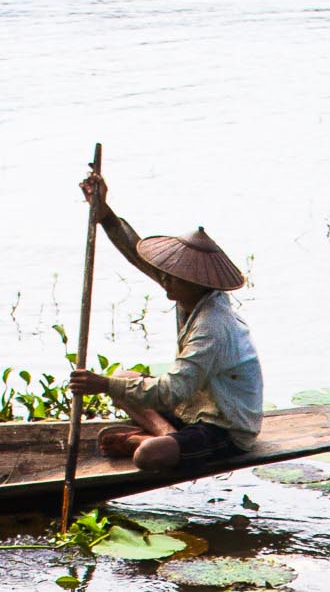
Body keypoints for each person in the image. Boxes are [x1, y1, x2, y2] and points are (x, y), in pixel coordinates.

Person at [69, 167, 265, 472]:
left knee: (149, 455)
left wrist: (103, 385)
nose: (163, 279)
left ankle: (146, 440)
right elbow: (138, 254)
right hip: (193, 411)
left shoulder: (212, 326)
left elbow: (173, 391)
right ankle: (167, 433)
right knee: (124, 376)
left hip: (224, 426)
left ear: (195, 282)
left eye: (172, 277)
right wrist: (105, 214)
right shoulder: (189, 293)